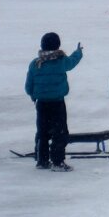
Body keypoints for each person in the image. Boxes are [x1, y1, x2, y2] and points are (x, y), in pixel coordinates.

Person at [25, 32, 83, 171]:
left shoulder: (35, 64)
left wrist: (33, 95)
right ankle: (57, 161)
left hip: (41, 104)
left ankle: (42, 160)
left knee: (42, 132)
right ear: (58, 46)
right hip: (57, 103)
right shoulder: (61, 61)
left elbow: (28, 85)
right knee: (60, 132)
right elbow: (72, 62)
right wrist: (78, 52)